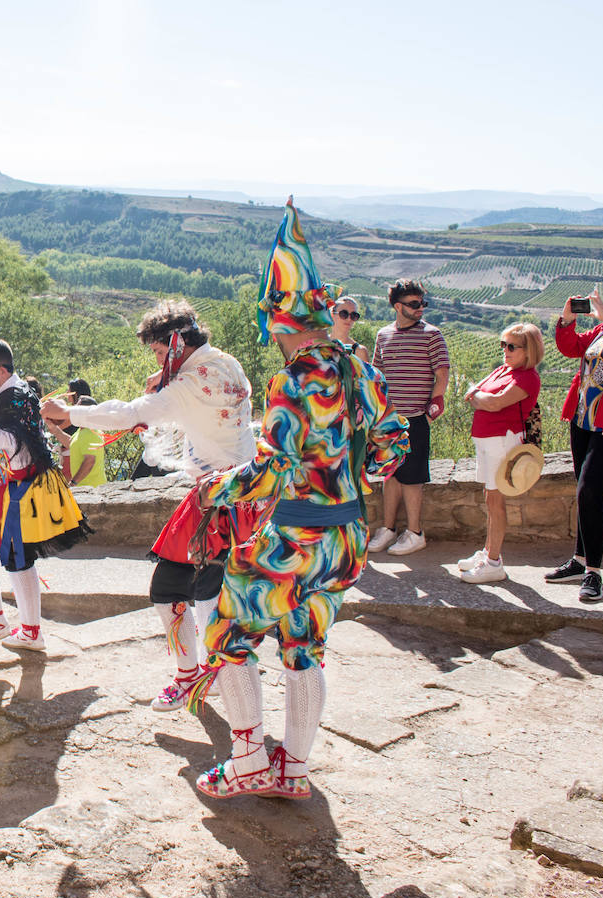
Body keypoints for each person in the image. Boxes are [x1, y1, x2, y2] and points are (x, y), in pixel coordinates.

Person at [187, 199, 409, 801]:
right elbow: (394, 445)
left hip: (291, 537)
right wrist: (356, 476)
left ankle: (250, 761)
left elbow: (274, 470)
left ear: (281, 325)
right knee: (305, 648)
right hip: (345, 537)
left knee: (228, 636)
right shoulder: (363, 371)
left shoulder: (293, 381)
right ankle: (296, 771)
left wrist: (216, 488)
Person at [41, 299, 255, 710]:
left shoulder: (191, 384)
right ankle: (196, 674)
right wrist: (168, 373)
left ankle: (217, 690)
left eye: (159, 352)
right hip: (230, 495)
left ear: (176, 345)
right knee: (175, 589)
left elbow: (131, 413)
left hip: (224, 501)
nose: (157, 361)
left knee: (210, 605)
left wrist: (70, 413)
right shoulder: (226, 363)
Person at [0, 337, 91, 653]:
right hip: (18, 485)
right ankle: (27, 631)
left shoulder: (11, 395)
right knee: (16, 558)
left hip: (18, 489)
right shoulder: (17, 392)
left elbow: (8, 440)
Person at [547, 287, 603, 602]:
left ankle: (593, 573)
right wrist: (566, 321)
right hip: (585, 419)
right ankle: (579, 561)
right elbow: (573, 347)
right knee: (585, 493)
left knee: (591, 491)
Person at [367, 280, 450, 556]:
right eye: (415, 304)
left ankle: (415, 533)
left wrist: (433, 406)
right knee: (390, 475)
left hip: (414, 418)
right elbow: (377, 374)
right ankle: (388, 529)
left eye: (422, 303)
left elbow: (442, 374)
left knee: (413, 478)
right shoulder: (382, 335)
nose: (421, 309)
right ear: (398, 306)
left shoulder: (432, 335)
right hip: (388, 418)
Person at [457, 323, 543, 584]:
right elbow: (472, 395)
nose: (505, 350)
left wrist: (479, 398)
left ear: (529, 351)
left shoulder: (527, 378)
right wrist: (480, 398)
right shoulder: (504, 370)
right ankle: (488, 553)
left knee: (496, 501)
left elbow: (493, 402)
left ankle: (494, 562)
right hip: (488, 439)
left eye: (512, 346)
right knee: (489, 496)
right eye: (503, 345)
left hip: (502, 441)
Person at [63, 396, 107, 486]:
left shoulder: (90, 432)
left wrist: (73, 483)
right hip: (85, 488)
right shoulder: (82, 430)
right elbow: (71, 444)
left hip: (91, 489)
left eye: (77, 408)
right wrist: (53, 428)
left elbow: (90, 460)